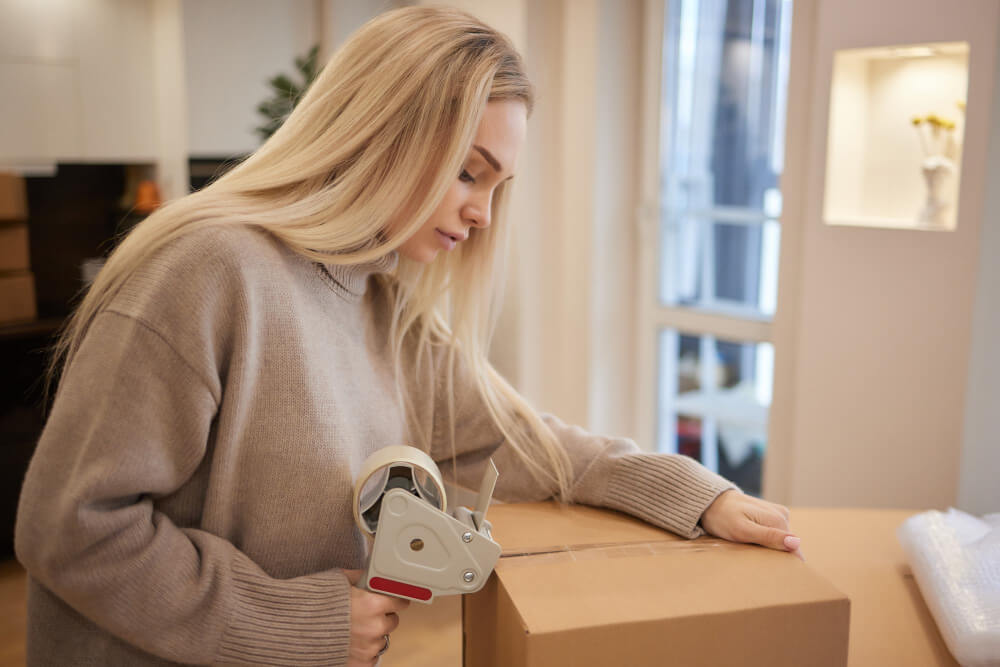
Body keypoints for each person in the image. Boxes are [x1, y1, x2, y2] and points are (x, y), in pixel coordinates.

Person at [15, 6, 802, 666]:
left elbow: (524, 442)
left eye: (497, 185)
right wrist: (300, 621)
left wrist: (697, 495)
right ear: (380, 132)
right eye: (469, 172)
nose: (483, 214)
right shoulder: (210, 269)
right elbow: (71, 528)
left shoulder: (380, 304)